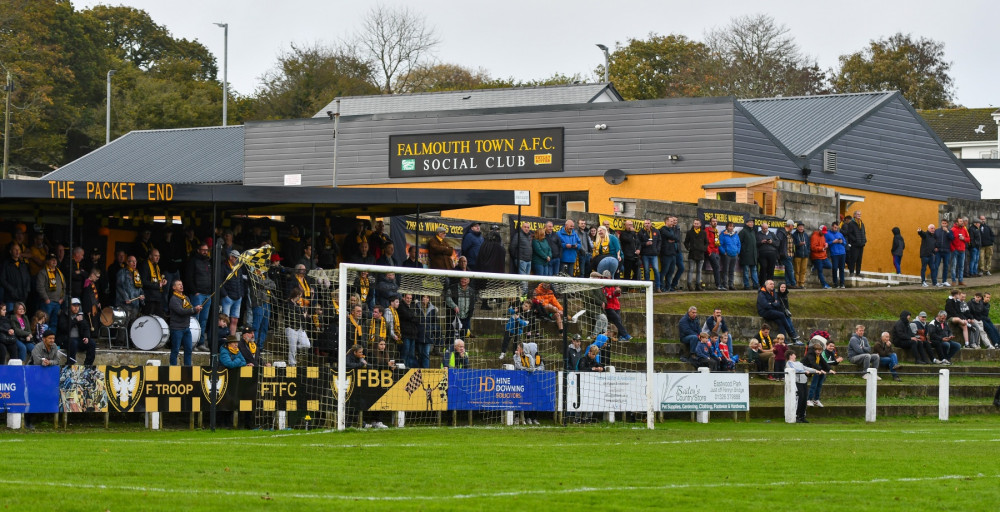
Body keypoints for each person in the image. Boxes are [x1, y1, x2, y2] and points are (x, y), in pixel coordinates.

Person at [167, 280, 202, 366]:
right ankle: (173, 368)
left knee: (189, 349)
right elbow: (181, 311)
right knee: (175, 350)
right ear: (174, 288)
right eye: (179, 285)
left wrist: (197, 310)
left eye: (182, 284)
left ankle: (187, 368)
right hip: (176, 329)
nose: (181, 286)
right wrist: (194, 309)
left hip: (186, 328)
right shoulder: (173, 299)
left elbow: (190, 310)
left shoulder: (185, 298)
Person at [185, 243, 213, 348]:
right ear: (198, 250)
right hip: (198, 295)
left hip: (207, 294)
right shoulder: (193, 261)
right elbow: (188, 277)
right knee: (195, 319)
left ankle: (201, 342)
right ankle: (192, 342)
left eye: (207, 250)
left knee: (204, 319)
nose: (206, 252)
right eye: (203, 250)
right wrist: (195, 291)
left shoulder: (208, 262)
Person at [786, 350, 819, 423]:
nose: (795, 356)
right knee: (799, 399)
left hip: (804, 382)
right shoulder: (789, 363)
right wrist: (803, 372)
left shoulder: (798, 363)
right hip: (798, 383)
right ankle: (796, 416)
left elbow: (806, 368)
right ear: (790, 355)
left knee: (804, 399)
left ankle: (802, 416)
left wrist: (816, 370)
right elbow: (795, 370)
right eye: (794, 354)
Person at [36, 254, 66, 332]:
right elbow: (40, 287)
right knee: (45, 322)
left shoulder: (59, 272)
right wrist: (46, 299)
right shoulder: (43, 272)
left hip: (58, 302)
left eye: (55, 260)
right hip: (47, 302)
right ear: (47, 261)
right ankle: (44, 340)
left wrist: (62, 298)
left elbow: (64, 287)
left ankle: (52, 340)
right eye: (52, 260)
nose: (54, 261)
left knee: (54, 323)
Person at [59, 298, 93, 366]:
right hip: (67, 339)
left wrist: (86, 337)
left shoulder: (80, 315)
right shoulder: (64, 315)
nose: (76, 308)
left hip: (78, 339)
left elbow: (86, 328)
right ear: (70, 306)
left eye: (77, 306)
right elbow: (64, 328)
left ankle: (88, 365)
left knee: (92, 343)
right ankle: (70, 364)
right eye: (74, 305)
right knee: (73, 343)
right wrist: (75, 320)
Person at [285, 288, 312, 366]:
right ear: (296, 295)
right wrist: (301, 315)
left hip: (300, 328)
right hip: (291, 327)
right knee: (292, 348)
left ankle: (296, 347)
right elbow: (289, 316)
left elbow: (302, 316)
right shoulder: (287, 304)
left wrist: (306, 316)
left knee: (307, 344)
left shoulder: (298, 305)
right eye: (300, 296)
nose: (300, 298)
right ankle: (292, 364)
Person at [803, 336, 832, 407]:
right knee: (814, 385)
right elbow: (813, 363)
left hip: (816, 370)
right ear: (815, 350)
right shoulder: (810, 353)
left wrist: (829, 369)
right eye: (818, 351)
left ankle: (816, 399)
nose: (819, 352)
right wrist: (820, 369)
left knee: (819, 385)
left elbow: (824, 362)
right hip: (807, 369)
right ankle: (809, 399)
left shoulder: (819, 355)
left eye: (820, 351)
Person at [2, 244, 31, 313]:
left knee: (20, 318)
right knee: (11, 317)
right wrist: (12, 290)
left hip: (22, 297)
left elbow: (28, 278)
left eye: (19, 249)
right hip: (10, 297)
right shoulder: (6, 264)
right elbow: (2, 280)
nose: (17, 251)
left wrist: (27, 290)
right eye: (15, 249)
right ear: (10, 251)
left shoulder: (23, 264)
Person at [139, 249, 168, 316]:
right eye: (155, 256)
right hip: (149, 298)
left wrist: (163, 281)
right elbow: (143, 282)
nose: (158, 258)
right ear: (150, 256)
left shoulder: (156, 266)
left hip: (158, 297)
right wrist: (158, 285)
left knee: (159, 319)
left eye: (159, 256)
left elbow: (158, 279)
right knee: (148, 320)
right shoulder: (145, 265)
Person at [659, 216, 683, 291]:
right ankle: (661, 286)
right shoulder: (663, 229)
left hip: (673, 253)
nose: (673, 223)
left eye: (673, 221)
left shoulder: (672, 229)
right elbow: (671, 236)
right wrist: (673, 238)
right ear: (666, 222)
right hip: (666, 253)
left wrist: (673, 239)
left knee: (671, 272)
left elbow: (677, 238)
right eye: (671, 221)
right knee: (664, 271)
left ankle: (668, 287)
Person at [683, 219, 708, 291]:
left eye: (697, 223)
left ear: (700, 224)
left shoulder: (703, 233)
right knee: (691, 269)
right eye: (695, 223)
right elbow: (686, 242)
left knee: (699, 270)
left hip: (701, 254)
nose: (696, 225)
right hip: (692, 254)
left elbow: (706, 243)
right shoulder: (690, 232)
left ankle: (698, 285)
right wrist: (689, 248)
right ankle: (689, 284)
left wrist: (704, 248)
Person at [416, 296, 440, 368]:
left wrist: (431, 330)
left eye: (427, 298)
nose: (425, 299)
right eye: (423, 297)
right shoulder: (417, 307)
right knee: (420, 354)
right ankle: (420, 370)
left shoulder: (432, 309)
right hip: (419, 334)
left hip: (428, 335)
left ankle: (426, 370)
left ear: (429, 299)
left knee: (426, 354)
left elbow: (435, 322)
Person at [397, 293, 420, 369]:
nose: (409, 300)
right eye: (407, 298)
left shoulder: (413, 306)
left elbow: (417, 318)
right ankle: (403, 369)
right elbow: (407, 315)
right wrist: (413, 316)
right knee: (405, 353)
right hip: (405, 334)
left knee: (411, 354)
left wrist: (412, 316)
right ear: (403, 298)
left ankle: (409, 369)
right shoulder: (401, 306)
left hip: (413, 334)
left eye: (410, 298)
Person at [638, 219, 661, 290]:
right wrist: (645, 244)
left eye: (648, 223)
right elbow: (638, 243)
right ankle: (647, 287)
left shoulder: (656, 231)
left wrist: (657, 249)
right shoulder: (641, 232)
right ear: (644, 224)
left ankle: (658, 287)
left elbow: (659, 241)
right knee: (646, 270)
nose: (647, 225)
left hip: (654, 254)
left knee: (656, 270)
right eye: (645, 223)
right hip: (645, 254)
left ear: (651, 224)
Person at [843, 210, 867, 276]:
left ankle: (858, 272)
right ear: (854, 215)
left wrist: (864, 240)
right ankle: (851, 272)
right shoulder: (851, 223)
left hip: (861, 244)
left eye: (860, 214)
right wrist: (855, 240)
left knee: (859, 260)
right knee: (853, 259)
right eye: (858, 214)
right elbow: (849, 233)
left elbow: (863, 233)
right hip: (855, 244)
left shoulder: (861, 223)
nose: (859, 215)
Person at [824, 222, 847, 288]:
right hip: (834, 253)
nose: (835, 229)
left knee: (842, 269)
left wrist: (841, 241)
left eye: (837, 228)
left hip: (842, 253)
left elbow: (845, 242)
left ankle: (842, 283)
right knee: (834, 268)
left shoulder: (840, 234)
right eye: (834, 227)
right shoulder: (827, 234)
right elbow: (825, 243)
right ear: (831, 226)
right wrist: (833, 242)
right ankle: (835, 283)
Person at [738, 219, 759, 290]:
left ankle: (756, 285)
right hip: (746, 255)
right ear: (746, 223)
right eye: (750, 222)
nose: (751, 223)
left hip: (753, 255)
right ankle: (746, 285)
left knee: (754, 271)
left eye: (752, 222)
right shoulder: (743, 231)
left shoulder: (753, 231)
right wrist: (743, 251)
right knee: (746, 271)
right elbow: (739, 243)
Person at [719, 221, 740, 290]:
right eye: (729, 226)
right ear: (727, 227)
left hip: (734, 255)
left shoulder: (736, 235)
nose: (731, 227)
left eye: (732, 226)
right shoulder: (723, 234)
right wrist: (723, 252)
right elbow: (720, 244)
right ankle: (725, 284)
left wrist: (738, 251)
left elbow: (739, 244)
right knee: (725, 270)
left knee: (732, 270)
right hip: (726, 255)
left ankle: (731, 284)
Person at [933, 219, 954, 287]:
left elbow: (952, 238)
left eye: (945, 223)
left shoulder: (950, 231)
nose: (944, 224)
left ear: (947, 224)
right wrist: (935, 247)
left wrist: (947, 231)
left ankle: (944, 281)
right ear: (941, 224)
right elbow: (934, 239)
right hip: (938, 251)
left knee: (946, 266)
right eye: (943, 223)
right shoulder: (937, 231)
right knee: (936, 266)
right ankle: (935, 281)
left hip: (946, 251)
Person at [950, 217, 970, 285]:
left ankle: (960, 280)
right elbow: (950, 240)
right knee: (953, 266)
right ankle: (953, 280)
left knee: (961, 266)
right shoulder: (953, 230)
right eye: (960, 221)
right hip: (955, 250)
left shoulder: (964, 229)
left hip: (962, 250)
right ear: (957, 222)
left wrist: (964, 238)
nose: (962, 222)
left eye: (962, 221)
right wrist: (953, 248)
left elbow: (968, 239)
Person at [791, 222, 810, 289]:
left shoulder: (806, 235)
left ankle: (802, 284)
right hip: (797, 255)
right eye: (800, 227)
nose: (801, 228)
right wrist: (799, 244)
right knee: (797, 270)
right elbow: (792, 245)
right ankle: (797, 284)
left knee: (803, 270)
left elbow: (808, 245)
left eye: (802, 227)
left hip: (805, 255)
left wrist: (808, 252)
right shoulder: (794, 235)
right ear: (797, 227)